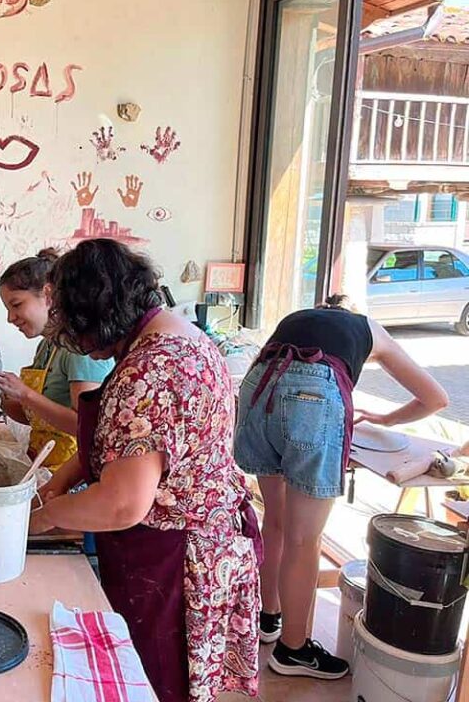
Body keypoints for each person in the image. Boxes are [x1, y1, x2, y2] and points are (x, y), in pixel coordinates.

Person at [30, 239, 260, 702]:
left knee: (157, 683)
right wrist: (61, 481)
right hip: (204, 535)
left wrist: (42, 519)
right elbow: (130, 444)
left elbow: (122, 503)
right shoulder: (181, 335)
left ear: (97, 313)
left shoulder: (149, 370)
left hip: (171, 558)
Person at [235, 293, 448, 680]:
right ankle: (292, 650)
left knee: (277, 521)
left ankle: (268, 619)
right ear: (351, 311)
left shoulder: (295, 318)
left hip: (257, 392)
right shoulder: (369, 328)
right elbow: (435, 398)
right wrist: (386, 418)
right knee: (305, 538)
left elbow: (262, 372)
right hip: (312, 399)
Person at [0, 249, 113, 469]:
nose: (10, 318)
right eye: (7, 309)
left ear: (48, 295)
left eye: (17, 305)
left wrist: (25, 394)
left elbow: (86, 426)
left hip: (74, 471)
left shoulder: (80, 351)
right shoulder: (47, 345)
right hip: (42, 462)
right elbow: (38, 417)